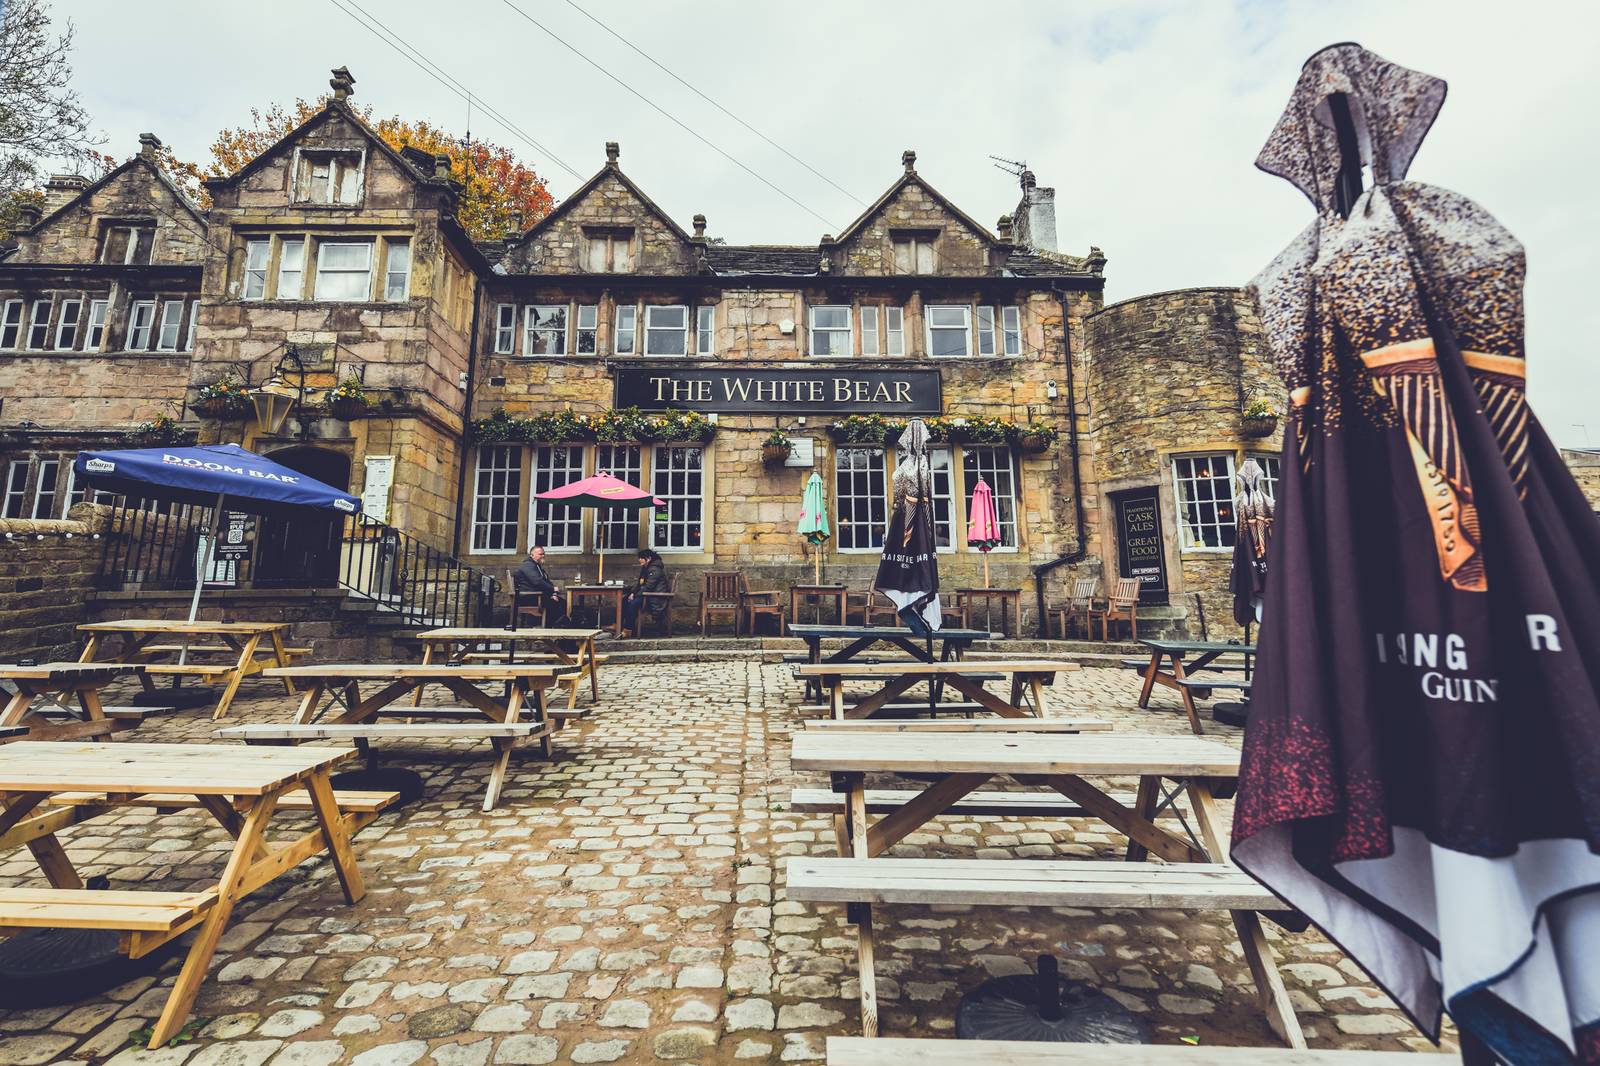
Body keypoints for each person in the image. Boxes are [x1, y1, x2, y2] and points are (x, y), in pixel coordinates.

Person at [512, 545, 569, 627]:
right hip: (529, 598)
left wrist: (553, 593)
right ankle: (552, 629)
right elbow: (537, 582)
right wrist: (552, 589)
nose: (543, 556)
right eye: (540, 554)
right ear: (532, 555)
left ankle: (557, 628)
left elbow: (546, 581)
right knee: (556, 604)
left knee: (563, 603)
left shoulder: (536, 566)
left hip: (537, 596)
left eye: (543, 554)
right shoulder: (528, 565)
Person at [622, 548, 670, 635]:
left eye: (641, 558)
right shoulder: (646, 568)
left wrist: (635, 595)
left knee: (632, 604)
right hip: (647, 596)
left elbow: (648, 587)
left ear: (648, 559)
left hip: (655, 598)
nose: (639, 560)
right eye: (639, 558)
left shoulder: (655, 570)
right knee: (625, 599)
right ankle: (620, 625)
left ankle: (628, 629)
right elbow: (640, 583)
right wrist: (633, 593)